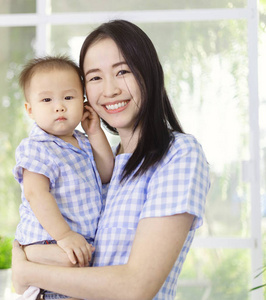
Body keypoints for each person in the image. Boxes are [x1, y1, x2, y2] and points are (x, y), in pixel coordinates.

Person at [12, 19, 211, 300]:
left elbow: (136, 287)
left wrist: (27, 270)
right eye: (94, 77)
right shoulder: (94, 159)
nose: (110, 90)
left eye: (123, 71)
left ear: (149, 73)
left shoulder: (178, 155)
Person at [13, 55, 115, 299]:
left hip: (76, 241)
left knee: (82, 277)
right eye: (46, 99)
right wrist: (64, 235)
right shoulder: (37, 147)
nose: (59, 106)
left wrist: (95, 132)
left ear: (83, 102)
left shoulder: (83, 141)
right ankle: (31, 276)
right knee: (77, 265)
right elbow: (35, 193)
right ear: (30, 109)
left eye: (68, 98)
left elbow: (106, 172)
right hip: (46, 240)